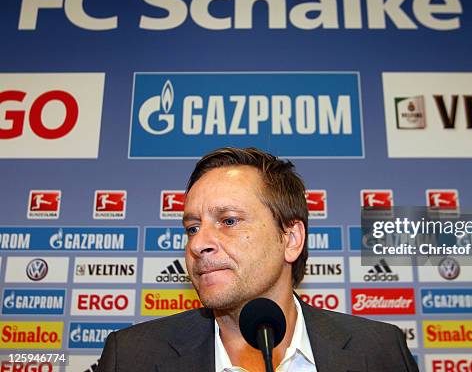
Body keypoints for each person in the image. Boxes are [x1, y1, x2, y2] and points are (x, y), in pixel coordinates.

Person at [97, 147, 419, 372]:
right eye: (192, 227)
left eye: (229, 221)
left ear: (290, 240)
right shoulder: (130, 357)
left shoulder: (380, 350)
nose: (199, 243)